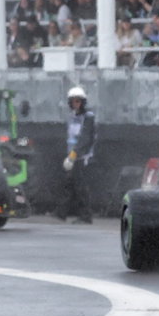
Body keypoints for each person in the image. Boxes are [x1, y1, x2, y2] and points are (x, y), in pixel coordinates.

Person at [59, 85, 97, 223]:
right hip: (72, 156)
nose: (76, 104)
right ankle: (61, 213)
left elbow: (85, 138)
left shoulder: (88, 117)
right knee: (68, 184)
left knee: (80, 187)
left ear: (82, 102)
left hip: (82, 157)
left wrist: (74, 155)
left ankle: (86, 216)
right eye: (73, 101)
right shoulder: (72, 117)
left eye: (78, 101)